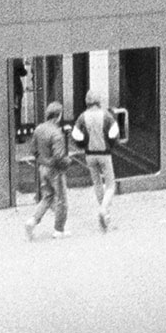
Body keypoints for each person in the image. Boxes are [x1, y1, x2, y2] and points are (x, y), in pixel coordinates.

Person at [25, 101, 72, 239]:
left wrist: (42, 161)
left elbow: (33, 149)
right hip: (55, 170)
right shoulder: (57, 133)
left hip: (42, 168)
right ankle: (59, 230)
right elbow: (59, 156)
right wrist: (67, 161)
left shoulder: (39, 129)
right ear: (58, 116)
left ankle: (32, 221)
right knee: (62, 199)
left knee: (47, 196)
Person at [72, 90, 118, 231]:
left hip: (89, 155)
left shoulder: (82, 117)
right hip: (104, 154)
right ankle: (104, 210)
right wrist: (110, 143)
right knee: (110, 185)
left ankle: (104, 212)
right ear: (99, 101)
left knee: (97, 183)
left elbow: (76, 135)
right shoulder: (106, 115)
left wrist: (83, 144)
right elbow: (114, 132)